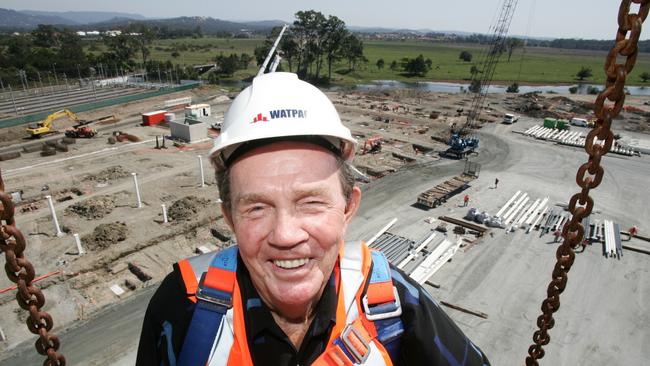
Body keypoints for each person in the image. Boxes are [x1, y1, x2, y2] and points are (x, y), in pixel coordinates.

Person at [136, 72, 490, 366]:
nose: (286, 235)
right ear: (229, 218)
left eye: (310, 203)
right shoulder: (184, 306)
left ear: (348, 208)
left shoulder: (391, 302)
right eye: (257, 208)